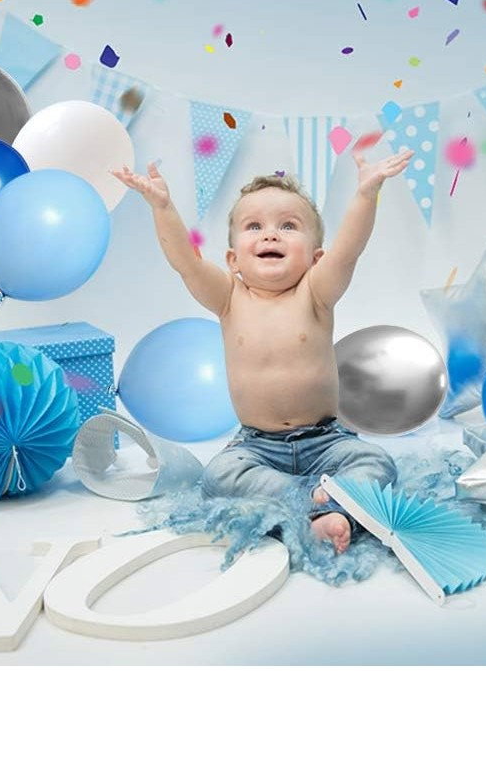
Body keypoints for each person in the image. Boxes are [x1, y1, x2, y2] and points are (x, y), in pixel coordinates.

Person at [111, 138, 413, 554]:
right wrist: (163, 207)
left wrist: (366, 194)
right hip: (257, 446)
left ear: (315, 258)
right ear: (233, 259)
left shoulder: (315, 293)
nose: (271, 233)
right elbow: (187, 263)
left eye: (288, 226)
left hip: (326, 440)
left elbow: (348, 251)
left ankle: (333, 509)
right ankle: (312, 498)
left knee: (377, 463)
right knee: (219, 476)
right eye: (254, 226)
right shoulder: (229, 298)